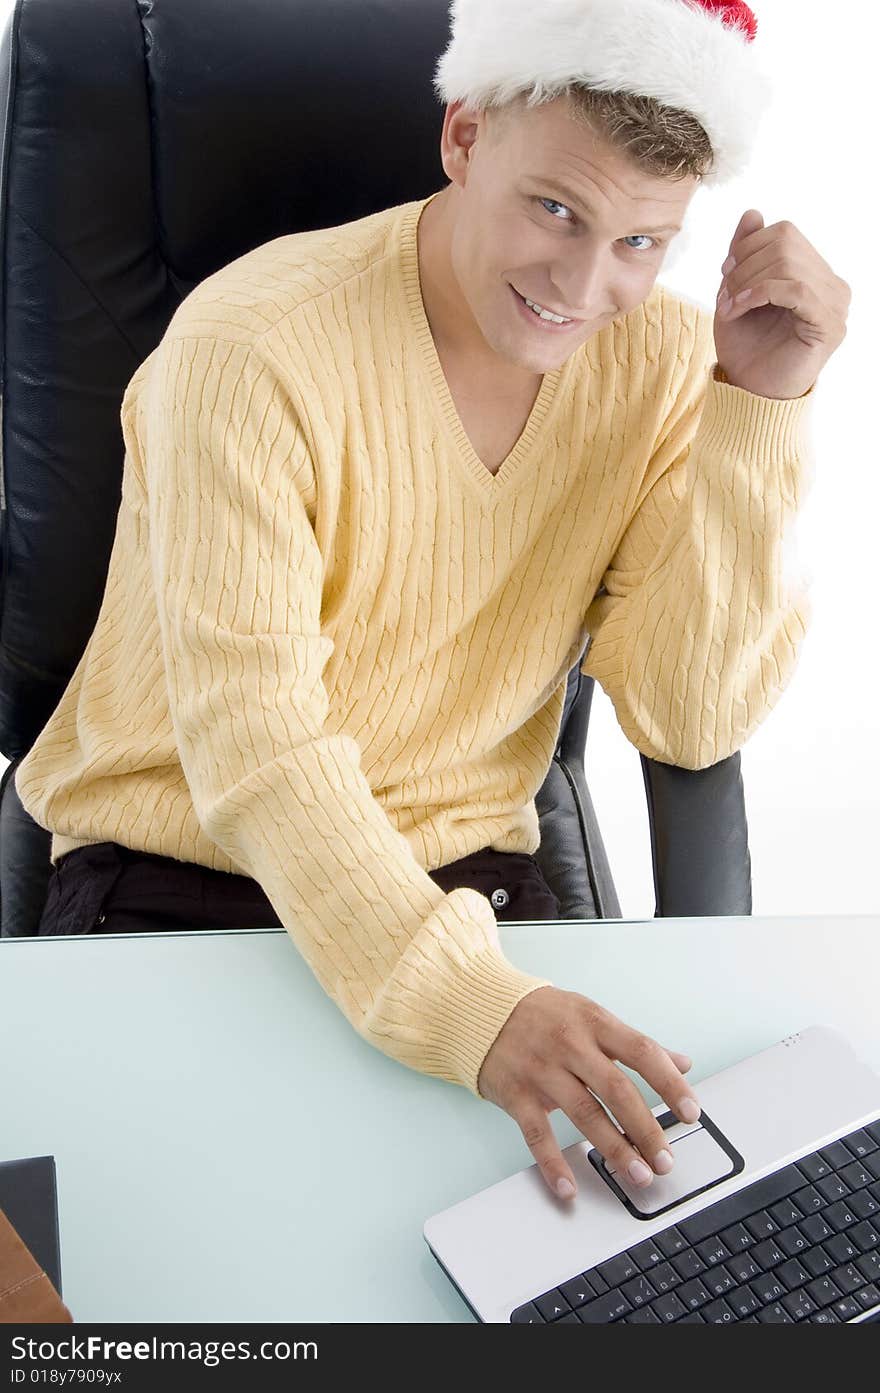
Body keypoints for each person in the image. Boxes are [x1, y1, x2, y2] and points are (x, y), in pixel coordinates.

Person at [14, 0, 849, 1203]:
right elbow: (257, 745)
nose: (581, 283)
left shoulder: (660, 362)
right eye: (554, 209)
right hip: (177, 881)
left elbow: (685, 718)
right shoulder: (250, 347)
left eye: (640, 242)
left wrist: (759, 409)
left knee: (558, 1277)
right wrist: (469, 1007)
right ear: (463, 138)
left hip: (472, 879)